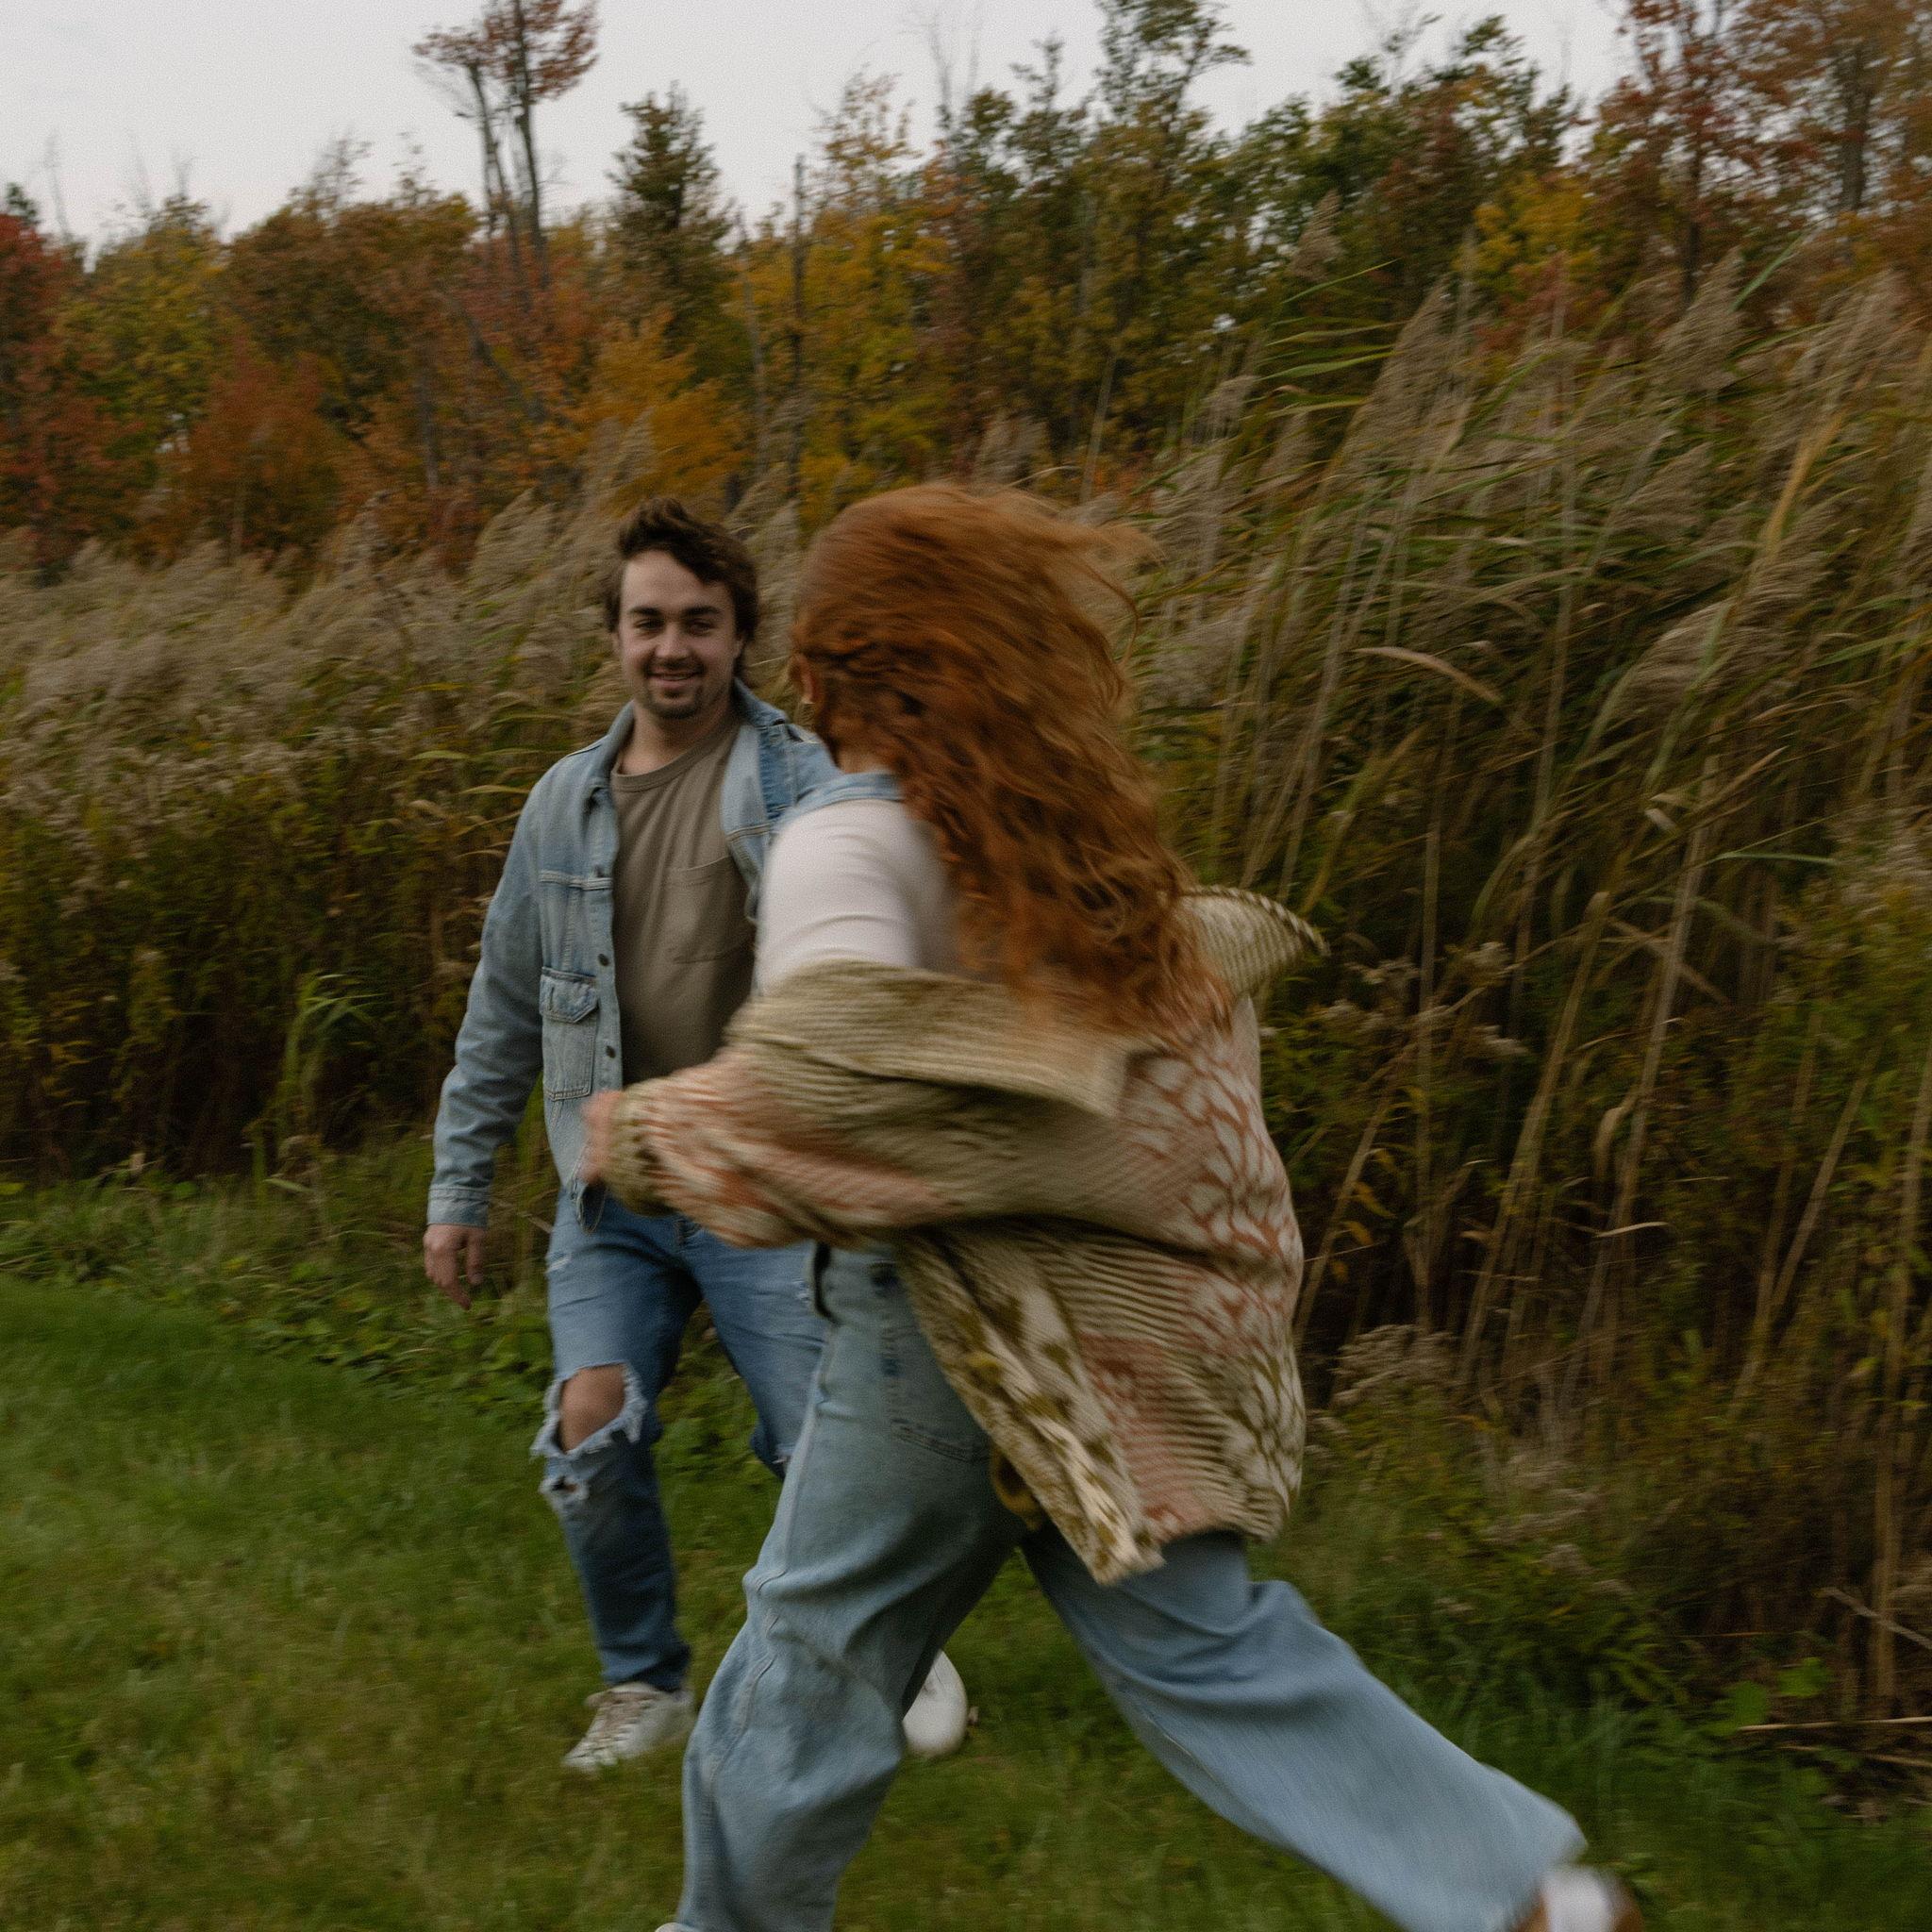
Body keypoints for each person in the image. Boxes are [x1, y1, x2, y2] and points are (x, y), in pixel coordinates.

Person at [580, 485, 1641, 1932]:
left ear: (827, 668)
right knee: (1204, 1644)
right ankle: (1528, 1896)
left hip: (952, 1337)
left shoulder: (845, 841)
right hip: (1102, 1342)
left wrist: (648, 1135)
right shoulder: (1059, 844)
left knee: (810, 1658)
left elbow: (835, 1078)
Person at [424, 496, 969, 1774]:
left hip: (764, 1185)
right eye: (649, 622)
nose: (672, 647)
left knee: (825, 1447)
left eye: (699, 623)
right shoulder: (562, 804)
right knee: (590, 1423)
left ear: (739, 635)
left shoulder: (806, 783)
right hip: (614, 1192)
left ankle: (895, 1649)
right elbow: (502, 1008)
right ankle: (644, 1683)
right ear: (616, 635)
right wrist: (460, 1189)